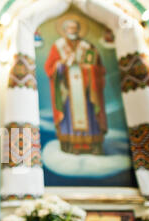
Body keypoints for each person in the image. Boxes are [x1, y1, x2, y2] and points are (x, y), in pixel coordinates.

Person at [44, 19, 107, 155]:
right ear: (66, 30)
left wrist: (89, 69)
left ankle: (93, 145)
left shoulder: (87, 46)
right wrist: (62, 63)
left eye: (75, 28)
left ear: (78, 30)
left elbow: (99, 69)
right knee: (68, 116)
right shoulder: (58, 46)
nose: (72, 31)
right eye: (70, 28)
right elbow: (50, 67)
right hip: (67, 90)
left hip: (86, 91)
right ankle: (70, 145)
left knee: (90, 114)